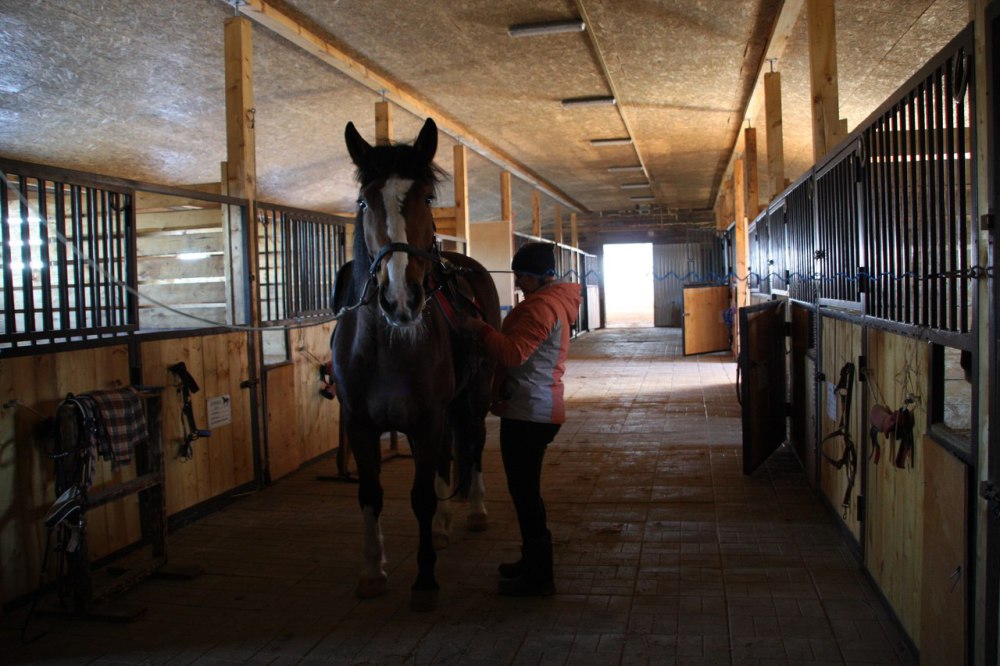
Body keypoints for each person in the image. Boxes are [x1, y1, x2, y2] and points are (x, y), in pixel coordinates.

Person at [461, 241, 581, 596]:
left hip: (530, 412)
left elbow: (513, 354)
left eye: (521, 276)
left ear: (536, 277)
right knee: (525, 492)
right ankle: (532, 561)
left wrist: (479, 329)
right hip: (535, 408)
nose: (517, 282)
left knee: (526, 494)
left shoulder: (540, 307)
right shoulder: (555, 301)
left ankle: (539, 576)